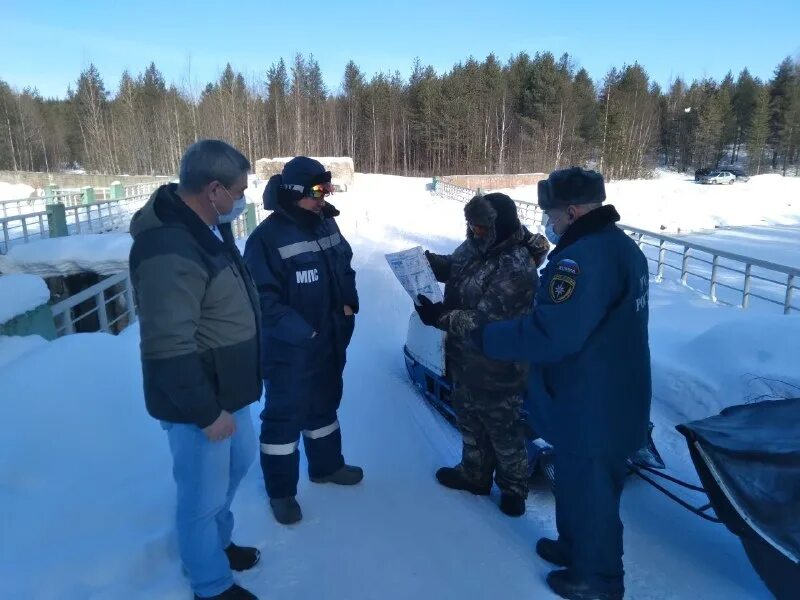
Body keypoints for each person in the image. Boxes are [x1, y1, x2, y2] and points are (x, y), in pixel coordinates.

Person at [473, 168, 652, 600]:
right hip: (609, 393)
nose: (548, 223)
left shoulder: (580, 260)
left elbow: (552, 334)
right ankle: (574, 548)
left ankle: (598, 579)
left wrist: (486, 335)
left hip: (591, 402)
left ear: (572, 212)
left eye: (552, 213)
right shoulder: (621, 248)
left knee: (592, 495)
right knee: (573, 481)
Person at [129, 140, 263, 600]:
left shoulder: (204, 227)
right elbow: (168, 345)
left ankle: (218, 546)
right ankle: (210, 582)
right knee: (202, 499)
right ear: (213, 190)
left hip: (229, 392)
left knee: (236, 469)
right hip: (199, 404)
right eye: (239, 190)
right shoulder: (169, 245)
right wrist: (206, 414)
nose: (242, 199)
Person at [243, 156, 362, 526]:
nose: (322, 198)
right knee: (284, 419)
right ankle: (281, 492)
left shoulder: (326, 224)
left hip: (329, 340)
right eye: (315, 191)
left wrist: (348, 303)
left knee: (324, 407)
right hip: (288, 350)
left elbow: (345, 266)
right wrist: (304, 332)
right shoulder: (266, 240)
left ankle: (326, 467)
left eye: (326, 189)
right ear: (293, 193)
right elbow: (263, 300)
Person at [415, 193, 549, 517]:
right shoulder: (476, 244)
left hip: (500, 363)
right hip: (464, 356)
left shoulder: (516, 264)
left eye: (479, 228)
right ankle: (474, 475)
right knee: (469, 418)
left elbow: (488, 321)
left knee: (503, 427)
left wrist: (439, 317)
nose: (473, 233)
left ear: (497, 227)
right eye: (470, 227)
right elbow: (456, 266)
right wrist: (429, 263)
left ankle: (513, 488)